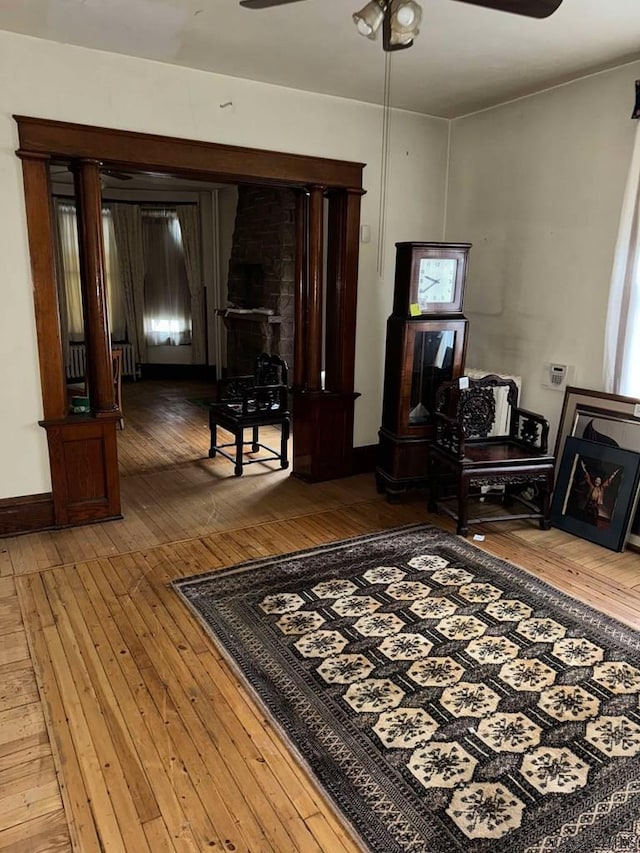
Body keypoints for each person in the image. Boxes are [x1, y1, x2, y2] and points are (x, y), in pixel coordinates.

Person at [579, 459, 620, 525]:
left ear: (600, 482)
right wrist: (583, 468)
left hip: (595, 506)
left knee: (594, 517)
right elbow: (588, 477)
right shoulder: (592, 486)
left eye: (598, 480)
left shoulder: (601, 488)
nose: (597, 481)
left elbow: (608, 481)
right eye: (596, 480)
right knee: (585, 516)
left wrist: (613, 475)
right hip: (589, 504)